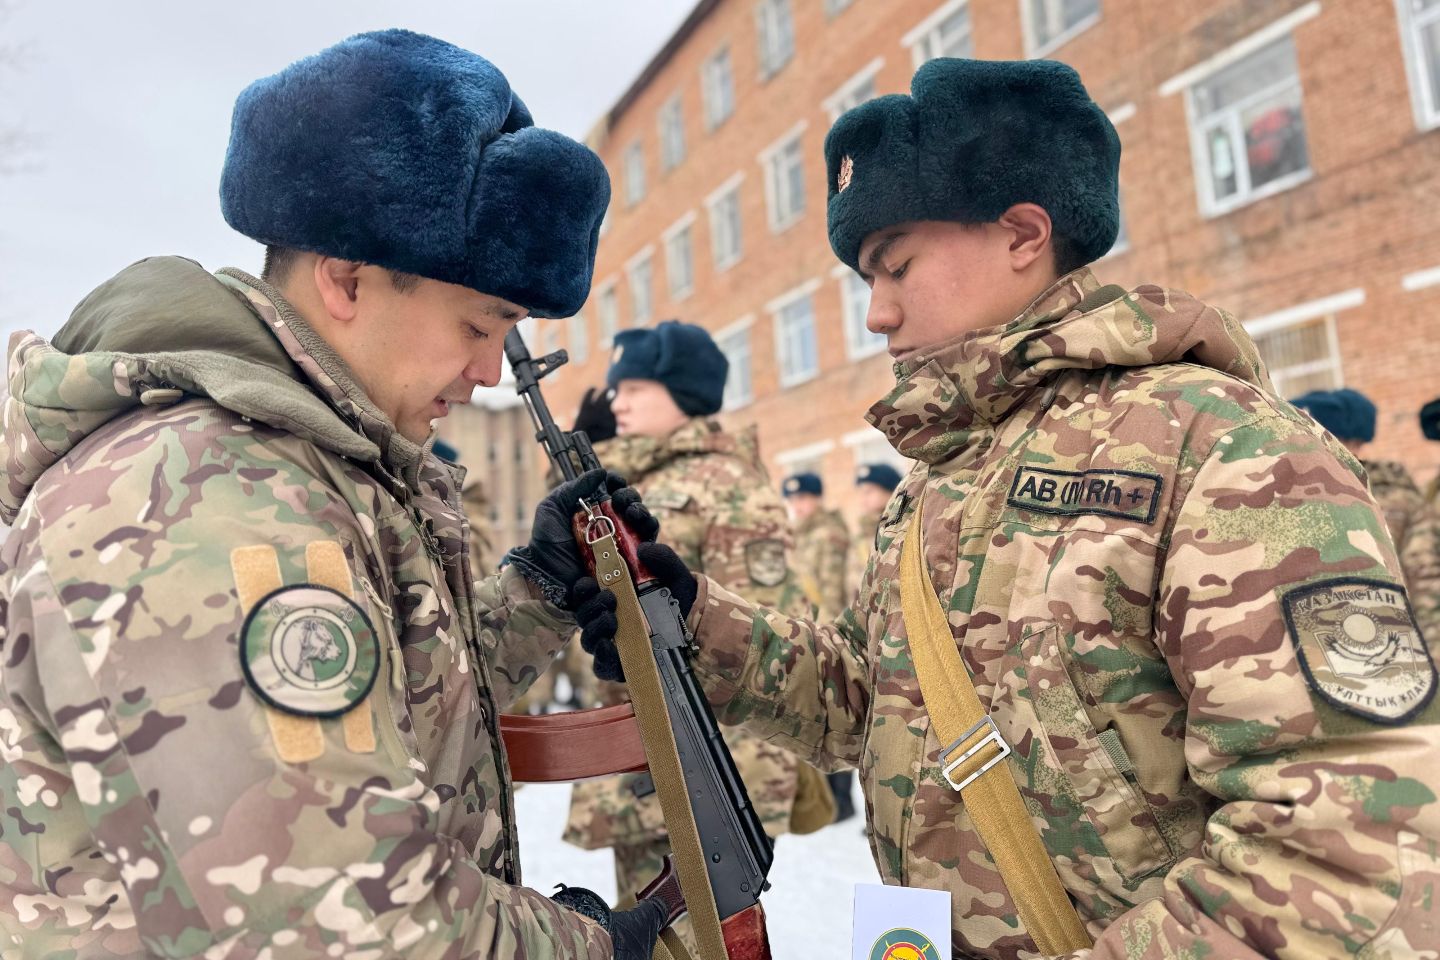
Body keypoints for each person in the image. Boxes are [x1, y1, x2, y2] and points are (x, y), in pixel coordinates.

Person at [575, 57, 1440, 957]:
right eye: (865, 281)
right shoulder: (940, 480)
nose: (876, 315)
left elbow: (1340, 853)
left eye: (897, 266)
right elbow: (876, 701)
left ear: (1024, 233)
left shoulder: (1224, 449)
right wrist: (693, 624)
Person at [0, 30, 668, 958]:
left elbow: (392, 705)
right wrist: (591, 947)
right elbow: (338, 919)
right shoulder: (210, 495)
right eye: (478, 326)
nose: (488, 371)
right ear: (347, 280)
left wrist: (539, 588)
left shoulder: (315, 467)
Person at [562, 321, 828, 952]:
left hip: (702, 769)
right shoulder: (642, 478)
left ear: (683, 393)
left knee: (702, 942)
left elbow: (757, 637)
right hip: (647, 761)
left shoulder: (725, 485)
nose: (619, 401)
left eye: (635, 388)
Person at [1291, 388, 1440, 644]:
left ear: (1353, 442)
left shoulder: (1395, 497)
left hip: (1390, 644)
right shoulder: (1290, 497)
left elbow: (1428, 584)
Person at [782, 471, 851, 622]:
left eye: (802, 498)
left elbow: (833, 592)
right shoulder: (795, 534)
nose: (796, 506)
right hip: (801, 619)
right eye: (791, 500)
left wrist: (829, 627)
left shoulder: (830, 534)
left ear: (818, 498)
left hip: (823, 621)